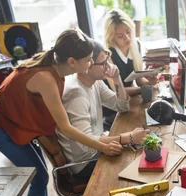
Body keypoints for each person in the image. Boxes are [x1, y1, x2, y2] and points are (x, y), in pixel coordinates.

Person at [0, 29, 120, 196]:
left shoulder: (57, 66)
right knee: (39, 177)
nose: (91, 63)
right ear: (72, 62)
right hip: (1, 128)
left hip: (20, 120)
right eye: (89, 59)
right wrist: (102, 147)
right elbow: (66, 128)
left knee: (41, 172)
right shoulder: (45, 78)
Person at [57, 40, 150, 179]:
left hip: (98, 149)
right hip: (85, 163)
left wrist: (117, 80)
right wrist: (128, 138)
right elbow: (87, 143)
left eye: (107, 61)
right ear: (88, 64)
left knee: (144, 156)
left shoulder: (96, 82)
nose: (108, 66)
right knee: (139, 164)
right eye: (103, 63)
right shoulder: (76, 95)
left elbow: (121, 106)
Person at [102, 9, 159, 128]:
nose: (127, 38)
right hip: (113, 110)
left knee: (153, 118)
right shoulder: (107, 55)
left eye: (128, 32)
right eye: (120, 36)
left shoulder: (135, 45)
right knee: (144, 123)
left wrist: (150, 81)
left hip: (128, 101)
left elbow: (139, 80)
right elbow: (116, 94)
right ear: (111, 37)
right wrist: (141, 89)